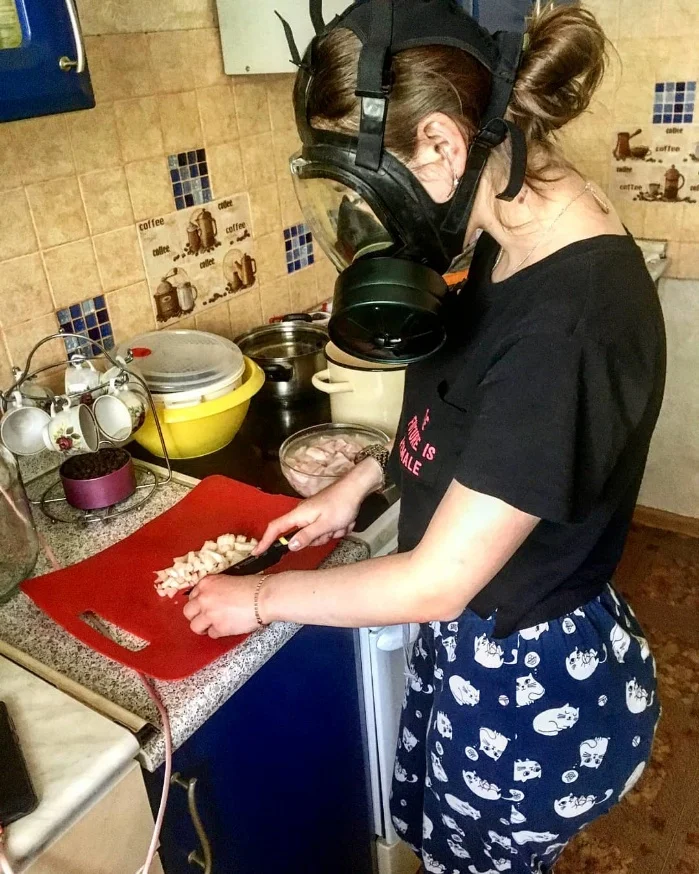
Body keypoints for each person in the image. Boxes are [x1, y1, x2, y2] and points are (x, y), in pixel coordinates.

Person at [184, 3, 665, 872]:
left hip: (528, 684)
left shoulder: (570, 322)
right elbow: (470, 420)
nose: (366, 211)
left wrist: (257, 601)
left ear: (442, 143)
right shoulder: (506, 233)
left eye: (367, 181)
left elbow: (437, 582)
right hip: (486, 647)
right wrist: (364, 480)